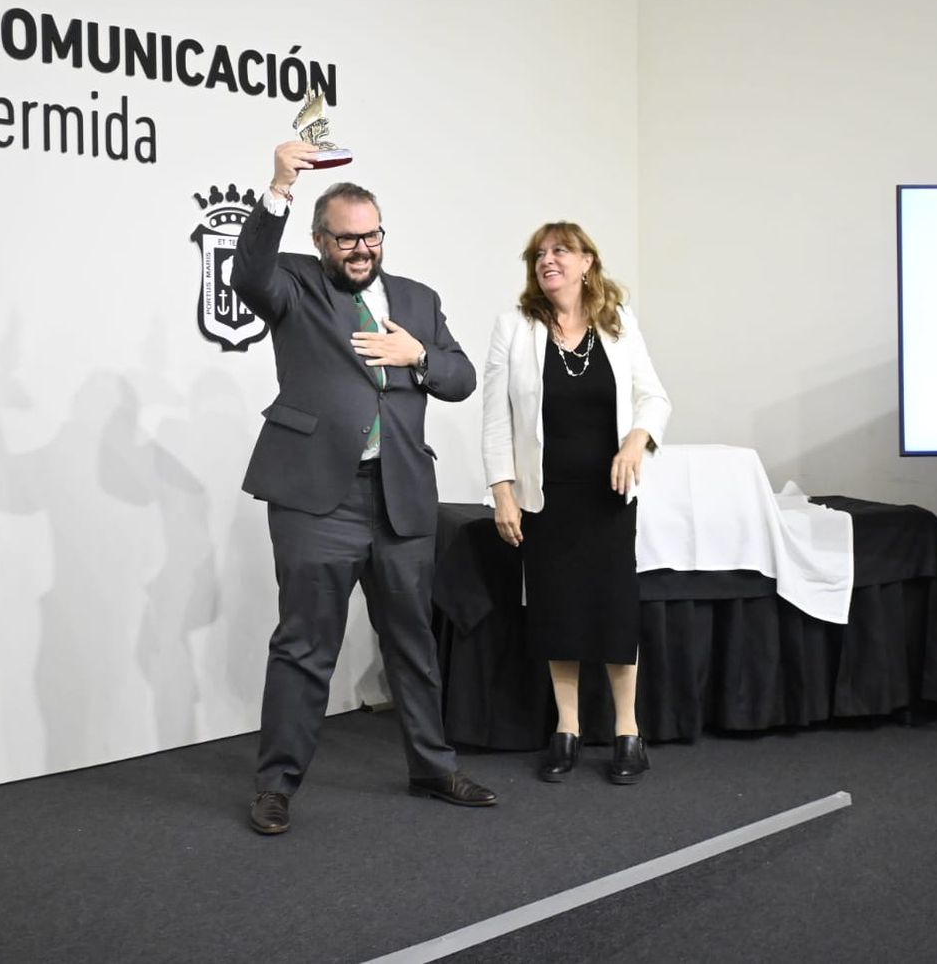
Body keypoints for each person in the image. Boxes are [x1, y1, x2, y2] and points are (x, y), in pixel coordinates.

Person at [232, 141, 496, 835]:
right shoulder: (295, 283)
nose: (362, 249)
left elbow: (462, 377)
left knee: (413, 642)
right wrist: (278, 187)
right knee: (304, 647)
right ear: (321, 239)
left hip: (401, 495)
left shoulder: (417, 299)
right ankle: (276, 785)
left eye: (372, 236)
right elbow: (248, 274)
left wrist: (419, 355)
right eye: (347, 238)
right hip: (318, 498)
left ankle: (433, 767)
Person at [481, 222, 670, 784]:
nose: (548, 260)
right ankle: (566, 729)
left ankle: (628, 732)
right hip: (546, 497)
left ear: (588, 262)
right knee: (556, 610)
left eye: (561, 250)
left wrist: (636, 441)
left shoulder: (618, 323)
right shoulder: (514, 327)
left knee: (614, 610)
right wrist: (503, 491)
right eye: (539, 254)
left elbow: (653, 397)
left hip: (608, 493)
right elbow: (495, 419)